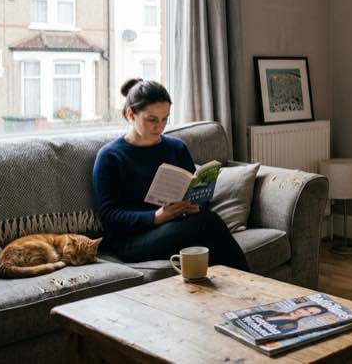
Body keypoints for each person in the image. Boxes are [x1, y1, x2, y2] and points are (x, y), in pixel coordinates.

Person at [92, 78, 249, 271]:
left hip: (176, 227)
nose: (160, 126)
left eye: (165, 118)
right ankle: (254, 289)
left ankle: (235, 293)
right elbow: (109, 216)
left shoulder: (176, 148)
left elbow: (198, 194)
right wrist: (156, 217)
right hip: (132, 240)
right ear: (130, 114)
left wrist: (195, 206)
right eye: (152, 119)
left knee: (206, 224)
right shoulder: (110, 156)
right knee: (209, 225)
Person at [252, 305, 329, 333]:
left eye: (310, 313)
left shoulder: (292, 325)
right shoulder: (272, 311)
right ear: (301, 307)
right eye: (305, 309)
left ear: (310, 316)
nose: (302, 312)